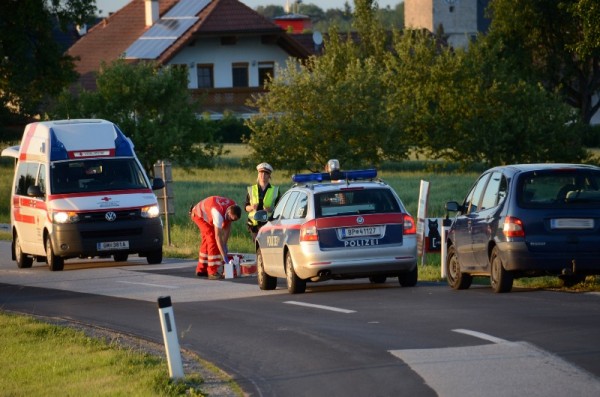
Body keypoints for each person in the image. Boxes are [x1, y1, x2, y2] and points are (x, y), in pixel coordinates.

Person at [190, 196, 241, 279]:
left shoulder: (233, 206)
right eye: (230, 218)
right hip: (198, 215)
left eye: (233, 220)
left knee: (207, 241)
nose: (230, 220)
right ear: (228, 212)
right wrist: (224, 257)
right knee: (212, 239)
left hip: (206, 211)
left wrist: (224, 245)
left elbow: (228, 226)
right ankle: (212, 271)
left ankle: (201, 269)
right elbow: (218, 238)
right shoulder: (218, 214)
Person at [245, 162, 280, 240]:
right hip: (254, 224)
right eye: (261, 173)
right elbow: (246, 206)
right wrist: (251, 207)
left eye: (266, 174)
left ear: (269, 176)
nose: (263, 176)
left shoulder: (275, 190)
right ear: (258, 174)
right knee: (258, 245)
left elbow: (279, 208)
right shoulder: (251, 189)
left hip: (269, 223)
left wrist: (271, 209)